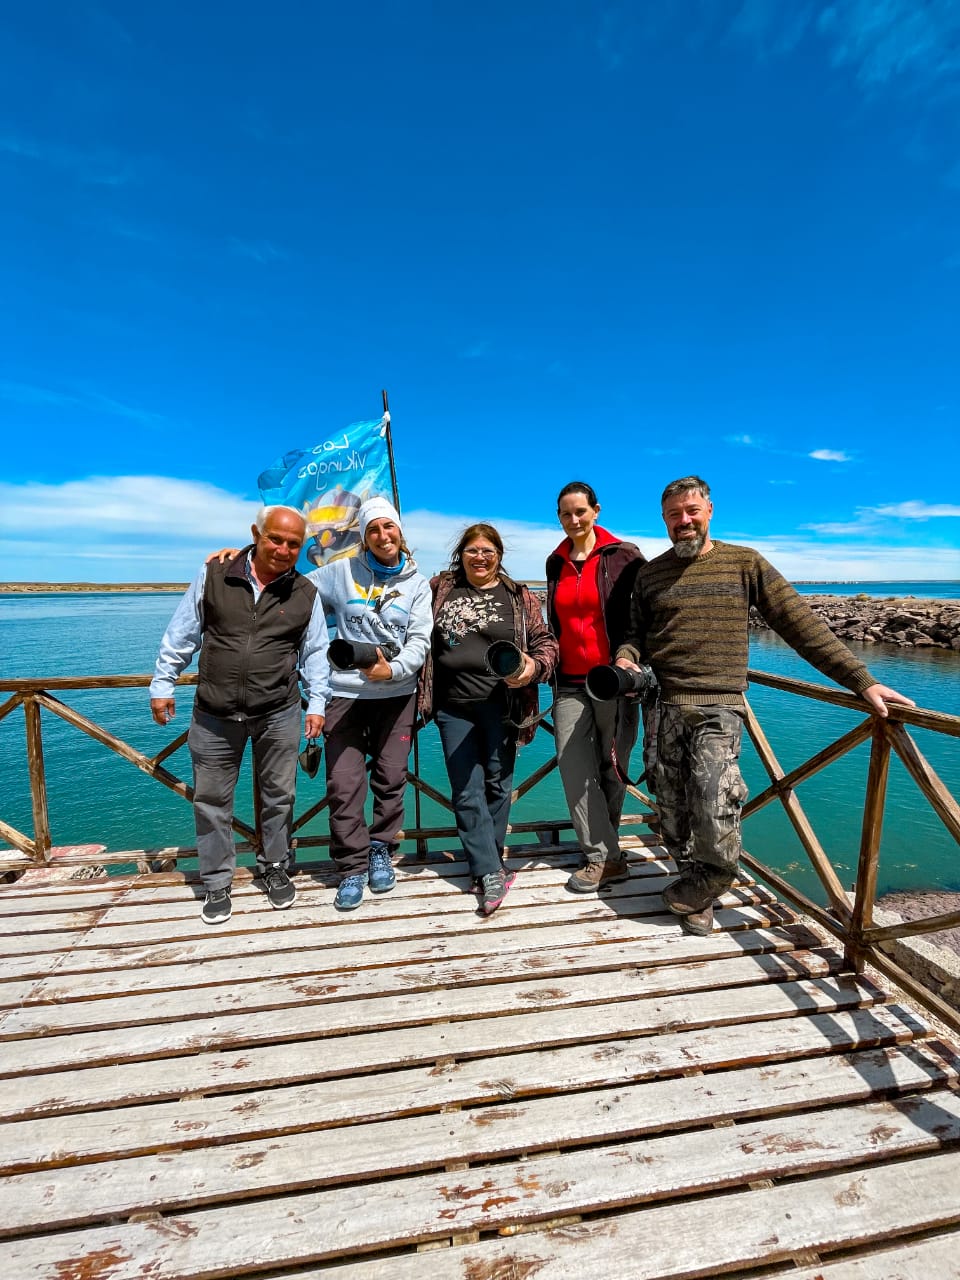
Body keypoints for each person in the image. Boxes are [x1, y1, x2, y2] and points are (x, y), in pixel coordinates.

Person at [616, 475, 915, 937]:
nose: (684, 521)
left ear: (709, 510)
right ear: (663, 519)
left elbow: (799, 623)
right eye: (674, 514)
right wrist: (625, 658)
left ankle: (712, 879)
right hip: (664, 705)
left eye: (692, 511)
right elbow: (636, 635)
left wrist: (861, 680)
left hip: (719, 707)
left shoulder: (744, 562)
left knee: (715, 802)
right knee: (671, 805)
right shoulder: (651, 574)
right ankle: (694, 885)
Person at [150, 506, 330, 925]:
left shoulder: (305, 592)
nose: (283, 549)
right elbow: (183, 631)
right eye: (275, 539)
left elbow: (316, 652)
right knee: (211, 800)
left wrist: (318, 703)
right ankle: (216, 880)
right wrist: (163, 683)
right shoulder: (215, 573)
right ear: (256, 534)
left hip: (279, 711)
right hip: (214, 712)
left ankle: (275, 866)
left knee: (280, 795)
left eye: (293, 544)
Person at [419, 523, 559, 916]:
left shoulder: (518, 595)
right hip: (452, 706)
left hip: (503, 705)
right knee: (466, 788)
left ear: (499, 555)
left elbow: (546, 642)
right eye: (472, 550)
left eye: (488, 551)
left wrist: (533, 668)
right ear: (460, 554)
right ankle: (489, 870)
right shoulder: (439, 588)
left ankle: (487, 866)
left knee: (498, 784)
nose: (480, 557)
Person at [309, 497, 432, 910]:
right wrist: (243, 557)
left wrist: (393, 670)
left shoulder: (417, 583)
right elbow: (293, 589)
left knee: (391, 779)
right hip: (344, 694)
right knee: (343, 785)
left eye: (388, 527)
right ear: (364, 536)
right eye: (373, 529)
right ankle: (351, 866)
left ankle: (381, 848)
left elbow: (420, 640)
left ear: (400, 531)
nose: (382, 536)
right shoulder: (340, 571)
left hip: (397, 696)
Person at [545, 481, 646, 893]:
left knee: (612, 768)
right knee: (574, 767)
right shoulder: (555, 562)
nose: (573, 520)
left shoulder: (624, 556)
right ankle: (605, 854)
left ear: (596, 511)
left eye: (580, 512)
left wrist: (630, 658)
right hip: (569, 683)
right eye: (565, 514)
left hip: (612, 682)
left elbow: (644, 615)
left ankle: (606, 854)